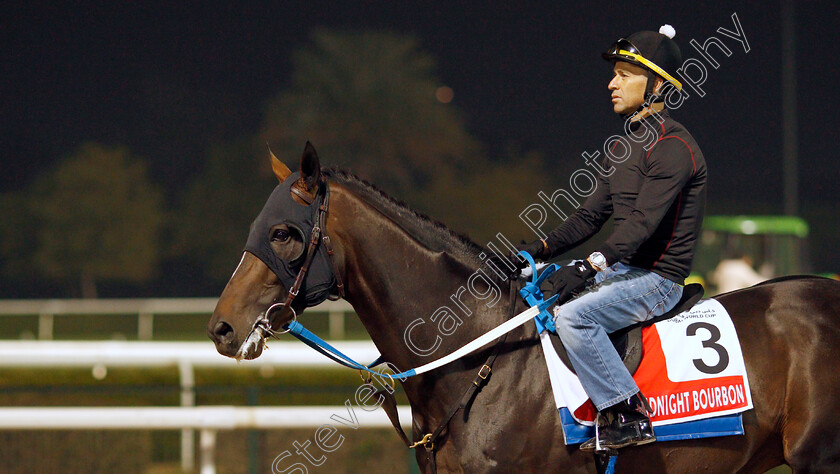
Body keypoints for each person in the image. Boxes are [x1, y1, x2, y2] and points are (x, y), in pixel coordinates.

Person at [518, 25, 707, 451]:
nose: (612, 83)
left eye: (624, 74)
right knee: (534, 289)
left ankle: (627, 413)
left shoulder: (675, 147)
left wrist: (587, 267)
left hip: (658, 281)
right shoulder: (625, 146)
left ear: (656, 84)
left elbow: (638, 226)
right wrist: (536, 250)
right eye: (615, 73)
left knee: (574, 317)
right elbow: (589, 218)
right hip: (622, 270)